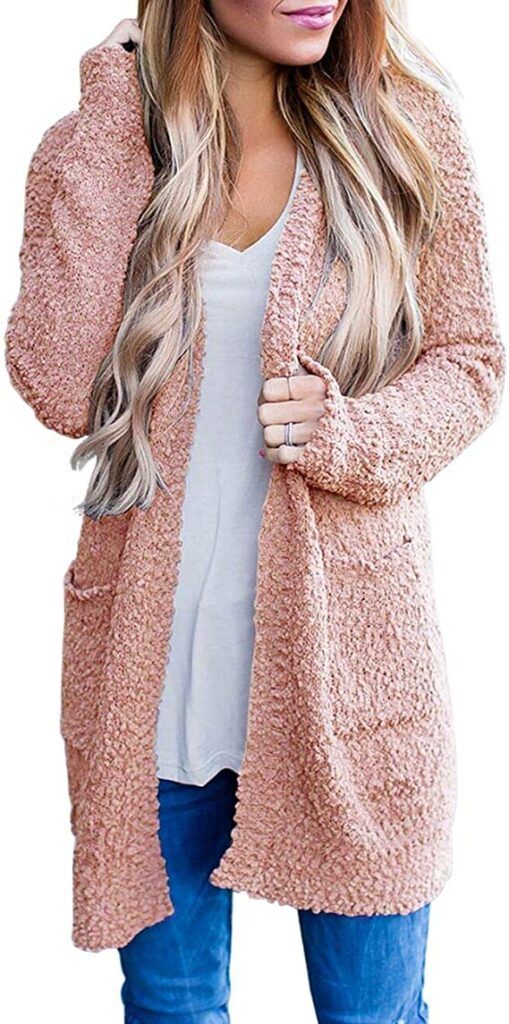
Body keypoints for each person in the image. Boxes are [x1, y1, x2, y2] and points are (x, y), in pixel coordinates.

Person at [4, 1, 505, 1021]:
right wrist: (113, 113)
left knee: (371, 1014)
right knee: (171, 1009)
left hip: (349, 684)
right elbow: (55, 379)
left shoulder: (404, 130)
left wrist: (351, 434)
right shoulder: (103, 144)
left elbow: (469, 363)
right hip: (153, 684)